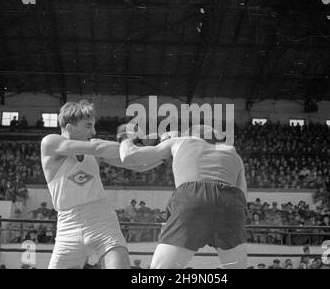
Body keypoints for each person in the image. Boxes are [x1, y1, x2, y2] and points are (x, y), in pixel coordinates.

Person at [40, 100, 162, 269]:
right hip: (67, 227)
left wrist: (164, 150)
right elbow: (97, 147)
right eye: (88, 126)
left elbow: (137, 164)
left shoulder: (96, 147)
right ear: (70, 128)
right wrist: (130, 143)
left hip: (102, 221)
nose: (94, 131)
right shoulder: (50, 142)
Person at [119, 124, 247, 269]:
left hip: (193, 198)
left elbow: (129, 157)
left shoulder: (181, 141)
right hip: (231, 204)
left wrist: (124, 136)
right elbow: (243, 195)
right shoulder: (232, 152)